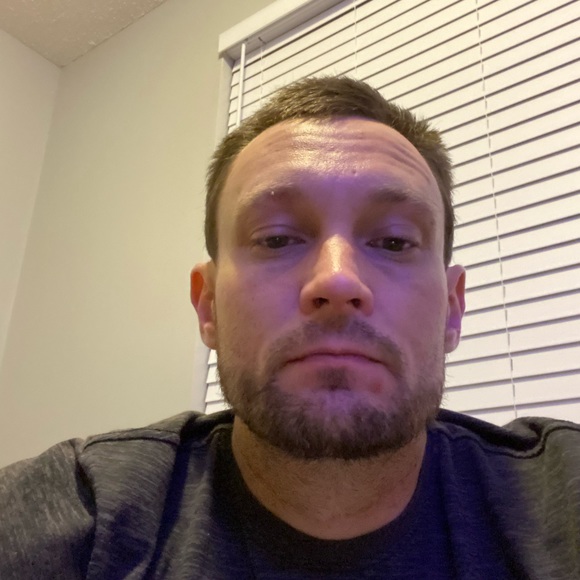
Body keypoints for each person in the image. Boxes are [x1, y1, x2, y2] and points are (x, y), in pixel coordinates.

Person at [0, 76, 579, 579]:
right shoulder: (82, 511)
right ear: (208, 307)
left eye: (394, 241)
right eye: (276, 238)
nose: (338, 279)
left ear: (453, 309)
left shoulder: (562, 496)